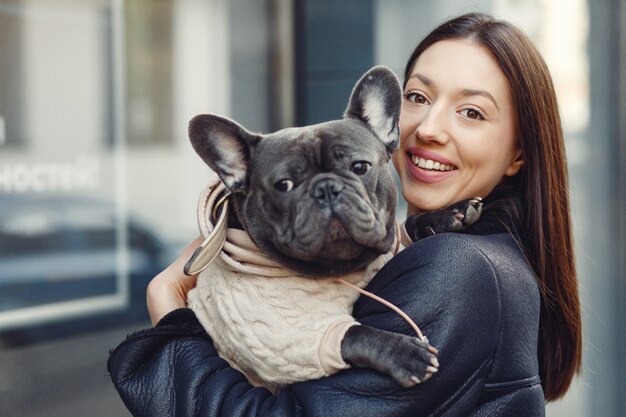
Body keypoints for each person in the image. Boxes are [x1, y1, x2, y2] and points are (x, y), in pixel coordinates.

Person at [108, 12, 581, 416]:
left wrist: (170, 314)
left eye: (472, 112)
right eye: (417, 97)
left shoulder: (460, 270)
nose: (430, 128)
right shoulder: (459, 253)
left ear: (520, 153)